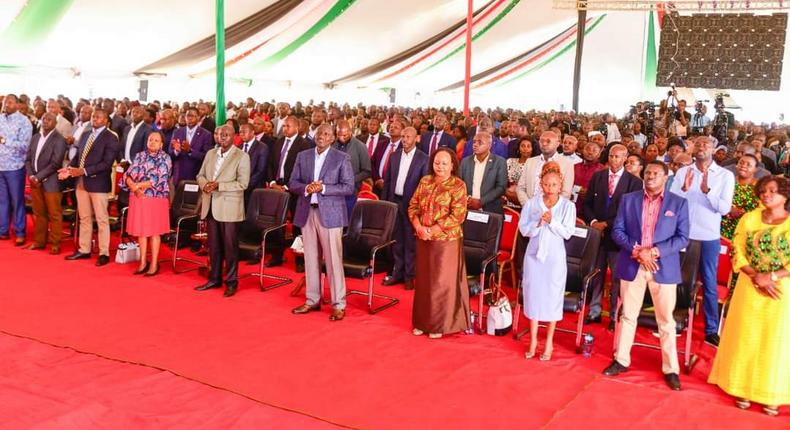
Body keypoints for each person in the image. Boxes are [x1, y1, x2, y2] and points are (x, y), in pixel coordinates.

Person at [603, 160, 690, 391]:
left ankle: (671, 369)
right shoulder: (629, 199)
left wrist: (653, 252)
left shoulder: (678, 203)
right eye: (648, 172)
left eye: (656, 173)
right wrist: (637, 251)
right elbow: (617, 231)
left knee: (666, 321)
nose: (650, 176)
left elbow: (682, 237)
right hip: (633, 264)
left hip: (663, 267)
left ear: (666, 178)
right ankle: (621, 359)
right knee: (628, 316)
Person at [708, 176, 790, 417]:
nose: (766, 195)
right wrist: (756, 276)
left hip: (781, 291)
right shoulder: (750, 217)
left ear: (785, 195)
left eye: (773, 191)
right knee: (746, 337)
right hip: (749, 286)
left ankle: (772, 394)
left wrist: (771, 277)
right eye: (763, 191)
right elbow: (737, 249)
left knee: (775, 342)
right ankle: (742, 388)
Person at [670, 136, 734, 346]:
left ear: (714, 150)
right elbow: (671, 204)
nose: (701, 147)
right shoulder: (683, 172)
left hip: (709, 236)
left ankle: (711, 330)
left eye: (706, 144)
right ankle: (675, 322)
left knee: (709, 283)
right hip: (683, 234)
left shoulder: (724, 176)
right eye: (698, 144)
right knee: (678, 280)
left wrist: (708, 192)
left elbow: (724, 209)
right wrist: (685, 190)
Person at [289, 124, 355, 321]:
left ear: (333, 138)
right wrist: (307, 188)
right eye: (319, 133)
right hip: (307, 211)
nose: (321, 136)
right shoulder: (303, 156)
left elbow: (349, 187)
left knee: (334, 260)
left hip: (331, 215)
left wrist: (323, 188)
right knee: (310, 258)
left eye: (326, 134)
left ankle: (338, 304)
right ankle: (312, 300)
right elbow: (293, 182)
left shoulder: (342, 158)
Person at [408, 147, 469, 339]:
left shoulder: (458, 185)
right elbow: (413, 206)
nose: (440, 166)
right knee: (425, 282)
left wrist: (432, 230)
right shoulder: (425, 181)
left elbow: (458, 215)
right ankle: (422, 322)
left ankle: (439, 324)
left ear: (452, 165)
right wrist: (418, 226)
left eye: (444, 163)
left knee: (441, 283)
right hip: (423, 238)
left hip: (445, 242)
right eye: (437, 162)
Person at [520, 162, 577, 360]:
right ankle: (533, 339)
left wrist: (552, 221)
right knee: (534, 295)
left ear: (560, 185)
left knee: (552, 297)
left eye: (554, 185)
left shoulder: (568, 207)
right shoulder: (532, 204)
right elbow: (524, 230)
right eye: (546, 185)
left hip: (554, 258)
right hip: (534, 256)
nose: (550, 189)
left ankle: (549, 342)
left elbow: (568, 233)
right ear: (541, 184)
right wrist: (538, 222)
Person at [582, 144, 643, 329]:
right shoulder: (598, 176)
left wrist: (606, 224)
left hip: (618, 237)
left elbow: (631, 211)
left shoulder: (634, 182)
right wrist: (593, 222)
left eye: (618, 156)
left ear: (625, 159)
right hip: (597, 235)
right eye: (611, 156)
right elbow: (587, 204)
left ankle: (615, 315)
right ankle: (595, 311)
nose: (614, 159)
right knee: (596, 274)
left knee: (618, 277)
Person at [194, 125, 250, 298]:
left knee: (230, 247)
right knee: (214, 246)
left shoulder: (242, 156)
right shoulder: (211, 153)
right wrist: (205, 185)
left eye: (225, 134)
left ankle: (232, 281)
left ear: (234, 136)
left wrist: (219, 185)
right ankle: (214, 278)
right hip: (210, 204)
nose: (221, 137)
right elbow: (200, 175)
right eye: (218, 134)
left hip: (230, 208)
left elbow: (243, 183)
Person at [59, 109, 119, 266]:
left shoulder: (111, 138)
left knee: (101, 220)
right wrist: (69, 169)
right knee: (84, 218)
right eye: (94, 116)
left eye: (99, 117)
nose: (95, 119)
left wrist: (83, 171)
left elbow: (106, 164)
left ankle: (104, 252)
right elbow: (79, 156)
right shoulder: (86, 135)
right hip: (81, 183)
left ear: (106, 120)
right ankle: (84, 249)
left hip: (98, 184)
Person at [381, 126, 429, 289]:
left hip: (412, 205)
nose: (405, 140)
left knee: (410, 241)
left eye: (408, 137)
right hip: (394, 202)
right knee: (396, 240)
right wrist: (385, 204)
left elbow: (425, 187)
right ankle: (397, 272)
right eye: (403, 136)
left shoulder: (423, 158)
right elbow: (387, 182)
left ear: (416, 138)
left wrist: (419, 209)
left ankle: (409, 275)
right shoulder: (394, 156)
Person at [266, 115, 314, 269]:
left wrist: (287, 186)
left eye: (288, 126)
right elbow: (271, 164)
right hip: (276, 187)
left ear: (297, 128)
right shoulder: (278, 142)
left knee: (296, 224)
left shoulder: (304, 145)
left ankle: (300, 259)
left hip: (294, 190)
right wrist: (273, 183)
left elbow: (303, 170)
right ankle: (276, 255)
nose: (284, 128)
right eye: (284, 126)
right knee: (276, 222)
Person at [122, 131, 172, 276]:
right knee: (141, 232)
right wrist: (133, 186)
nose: (152, 142)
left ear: (162, 144)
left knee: (154, 232)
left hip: (155, 198)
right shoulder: (139, 155)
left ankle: (154, 264)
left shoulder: (165, 158)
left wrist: (138, 186)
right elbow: (128, 174)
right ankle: (143, 262)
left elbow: (159, 178)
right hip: (138, 198)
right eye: (150, 139)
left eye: (156, 140)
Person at [24, 113, 66, 254]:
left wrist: (38, 177)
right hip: (35, 181)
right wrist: (32, 175)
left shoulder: (59, 139)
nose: (46, 122)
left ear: (55, 123)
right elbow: (28, 159)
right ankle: (39, 241)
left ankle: (55, 243)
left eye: (49, 120)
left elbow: (56, 163)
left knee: (54, 214)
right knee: (39, 213)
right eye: (44, 119)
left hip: (51, 182)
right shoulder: (36, 137)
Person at [0, 94, 34, 245]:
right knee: (2, 201)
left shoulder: (24, 122)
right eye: (5, 102)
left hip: (15, 167)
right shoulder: (0, 119)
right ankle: (3, 230)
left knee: (17, 201)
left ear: (17, 105)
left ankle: (20, 232)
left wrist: (5, 141)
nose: (6, 104)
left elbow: (24, 146)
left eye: (10, 102)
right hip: (0, 166)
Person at [516, 130, 574, 205]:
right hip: (529, 209)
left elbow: (566, 193)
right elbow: (520, 188)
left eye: (548, 141)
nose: (544, 144)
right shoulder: (530, 162)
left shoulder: (567, 164)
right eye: (541, 141)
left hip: (552, 212)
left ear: (557, 143)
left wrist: (549, 209)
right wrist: (528, 205)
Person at [459, 131, 507, 214]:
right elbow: (459, 184)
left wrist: (481, 202)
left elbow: (501, 187)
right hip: (467, 208)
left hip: (490, 209)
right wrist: (468, 200)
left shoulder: (499, 162)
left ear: (489, 145)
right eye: (474, 142)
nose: (475, 144)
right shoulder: (465, 162)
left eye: (480, 142)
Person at [333, 120, 371, 218]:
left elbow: (367, 171)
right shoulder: (332, 145)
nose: (341, 138)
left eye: (344, 135)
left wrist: (351, 179)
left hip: (351, 190)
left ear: (351, 132)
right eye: (339, 134)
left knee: (347, 218)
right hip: (334, 189)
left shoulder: (360, 146)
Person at [169, 107, 213, 188]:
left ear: (198, 117)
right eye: (188, 115)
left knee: (191, 200)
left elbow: (207, 157)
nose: (190, 118)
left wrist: (190, 151)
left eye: (193, 116)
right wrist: (176, 151)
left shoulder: (206, 134)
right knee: (177, 200)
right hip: (178, 176)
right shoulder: (177, 132)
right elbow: (170, 153)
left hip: (195, 175)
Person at [720, 154, 759, 240]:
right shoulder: (727, 181)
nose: (743, 166)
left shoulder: (759, 187)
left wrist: (743, 213)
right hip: (722, 229)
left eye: (748, 164)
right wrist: (729, 209)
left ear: (755, 169)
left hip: (746, 230)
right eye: (741, 163)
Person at [238, 123, 269, 205]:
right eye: (240, 132)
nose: (242, 134)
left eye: (245, 132)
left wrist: (245, 184)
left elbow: (260, 171)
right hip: (239, 187)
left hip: (254, 187)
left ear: (252, 132)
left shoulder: (262, 147)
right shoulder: (238, 147)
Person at [504, 138, 532, 207]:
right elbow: (503, 179)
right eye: (523, 146)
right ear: (518, 148)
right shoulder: (510, 161)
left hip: (525, 200)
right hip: (508, 197)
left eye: (528, 146)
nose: (525, 148)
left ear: (532, 149)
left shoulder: (535, 164)